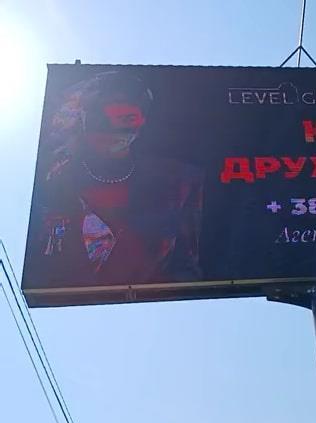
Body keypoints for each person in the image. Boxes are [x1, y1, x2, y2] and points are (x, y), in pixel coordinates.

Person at [30, 71, 203, 287]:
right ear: (82, 117)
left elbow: (187, 269)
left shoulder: (179, 181)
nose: (110, 127)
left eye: (125, 116)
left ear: (143, 120)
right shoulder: (52, 180)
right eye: (99, 114)